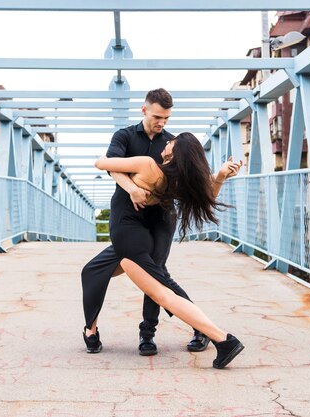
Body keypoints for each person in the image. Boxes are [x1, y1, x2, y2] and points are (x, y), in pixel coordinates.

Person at [93, 132, 244, 369]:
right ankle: (216, 337)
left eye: (171, 143)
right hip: (133, 236)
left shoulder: (149, 164)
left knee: (162, 293)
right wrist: (221, 176)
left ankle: (223, 338)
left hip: (127, 238)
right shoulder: (175, 179)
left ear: (174, 153)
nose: (167, 142)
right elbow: (207, 195)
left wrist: (131, 185)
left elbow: (101, 163)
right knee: (162, 288)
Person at [81, 88, 209, 357]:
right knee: (94, 270)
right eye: (158, 116)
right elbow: (111, 165)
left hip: (161, 217)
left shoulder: (172, 142)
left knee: (156, 272)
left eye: (167, 118)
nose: (162, 123)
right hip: (129, 217)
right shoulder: (125, 136)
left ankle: (148, 335)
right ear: (144, 110)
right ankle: (90, 329)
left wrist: (217, 178)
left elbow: (187, 179)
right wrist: (131, 189)